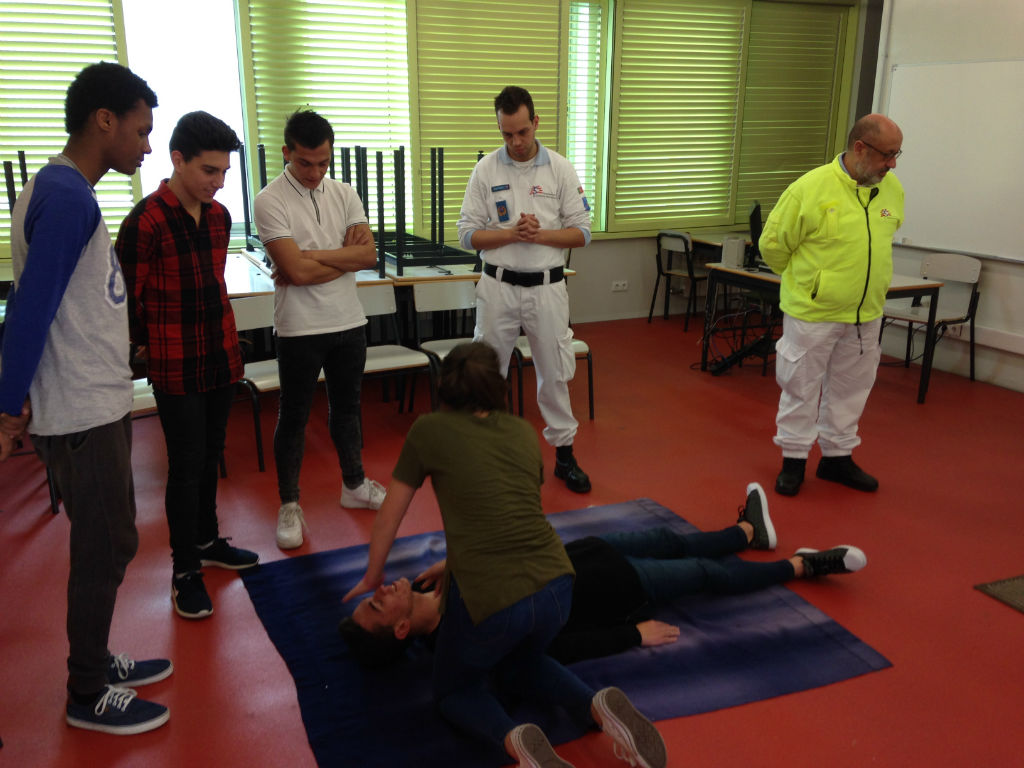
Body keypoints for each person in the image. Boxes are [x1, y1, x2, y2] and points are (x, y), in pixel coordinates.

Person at [343, 342, 667, 768]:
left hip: (495, 603)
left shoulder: (428, 430)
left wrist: (373, 573)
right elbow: (509, 517)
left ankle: (514, 739)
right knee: (518, 662)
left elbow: (389, 514)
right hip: (557, 589)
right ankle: (596, 704)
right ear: (496, 387)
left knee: (452, 692)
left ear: (444, 390)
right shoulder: (521, 431)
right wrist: (454, 562)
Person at [0, 62, 171, 735]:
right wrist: (9, 405)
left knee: (110, 539)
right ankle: (87, 691)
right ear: (105, 120)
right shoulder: (68, 196)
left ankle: (95, 659)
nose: (147, 146)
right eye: (141, 130)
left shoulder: (62, 188)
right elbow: (30, 308)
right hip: (80, 407)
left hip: (94, 398)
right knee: (106, 545)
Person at [341, 483, 867, 667]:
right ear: (402, 629)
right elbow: (556, 650)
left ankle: (748, 533)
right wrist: (632, 636)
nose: (381, 588)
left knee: (670, 540)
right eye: (378, 603)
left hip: (585, 554)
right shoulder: (466, 637)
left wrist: (457, 562)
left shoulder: (430, 582)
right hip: (611, 591)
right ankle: (804, 565)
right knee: (707, 574)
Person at [115, 111, 260, 620]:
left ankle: (206, 540)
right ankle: (184, 570)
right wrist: (146, 347)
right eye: (208, 171)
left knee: (211, 454)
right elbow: (125, 301)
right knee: (185, 465)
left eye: (224, 172)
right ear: (177, 160)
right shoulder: (145, 221)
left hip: (219, 354)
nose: (217, 183)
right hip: (174, 361)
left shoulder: (219, 218)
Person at [253, 108, 386, 550]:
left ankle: (354, 484)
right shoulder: (269, 200)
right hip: (299, 328)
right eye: (304, 163)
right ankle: (289, 503)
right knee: (293, 416)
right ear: (286, 152)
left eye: (323, 163)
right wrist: (333, 260)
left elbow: (368, 257)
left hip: (349, 321)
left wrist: (308, 257)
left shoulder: (345, 193)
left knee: (347, 409)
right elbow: (296, 272)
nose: (314, 173)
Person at [457, 85, 594, 494]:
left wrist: (541, 235)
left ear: (535, 122)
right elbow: (466, 235)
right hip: (497, 287)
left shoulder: (560, 169)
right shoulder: (485, 170)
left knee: (554, 373)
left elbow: (583, 233)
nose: (515, 142)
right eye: (506, 134)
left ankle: (565, 457)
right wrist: (510, 234)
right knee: (487, 375)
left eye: (522, 131)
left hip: (547, 288)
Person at [760, 113, 905, 497]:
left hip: (866, 314)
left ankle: (837, 459)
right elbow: (773, 247)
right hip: (813, 314)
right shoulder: (810, 189)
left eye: (897, 154)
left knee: (851, 389)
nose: (892, 164)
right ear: (860, 148)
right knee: (800, 388)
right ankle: (793, 461)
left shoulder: (891, 190)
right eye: (887, 154)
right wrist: (811, 285)